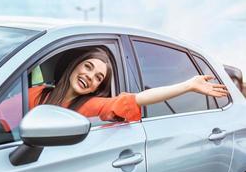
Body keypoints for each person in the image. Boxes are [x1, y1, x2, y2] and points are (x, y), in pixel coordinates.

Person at [28, 48, 228, 122]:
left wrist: (188, 85)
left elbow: (138, 99)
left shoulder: (92, 105)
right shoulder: (37, 94)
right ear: (74, 66)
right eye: (87, 67)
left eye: (98, 78)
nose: (89, 77)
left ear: (97, 88)